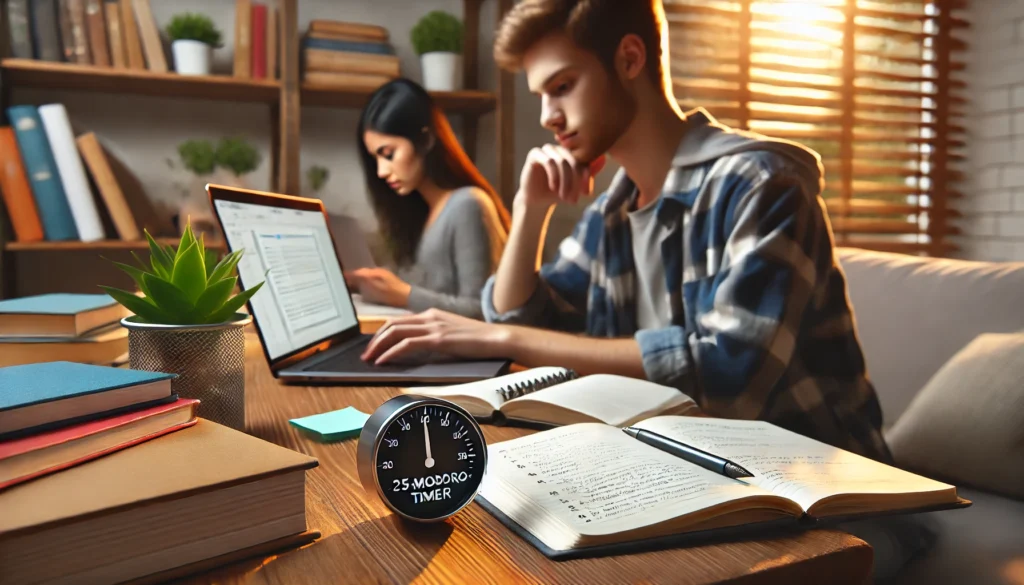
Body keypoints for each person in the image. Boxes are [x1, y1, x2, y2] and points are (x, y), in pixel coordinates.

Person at [363, 0, 889, 463]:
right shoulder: (616, 206)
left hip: (823, 486)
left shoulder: (761, 185)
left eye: (563, 86)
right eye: (541, 95)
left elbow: (727, 377)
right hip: (684, 460)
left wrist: (497, 336)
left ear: (630, 59)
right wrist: (529, 210)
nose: (548, 115)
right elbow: (527, 313)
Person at [349, 78, 511, 319]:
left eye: (389, 154)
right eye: (375, 159)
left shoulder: (468, 204)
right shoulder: (422, 210)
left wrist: (404, 295)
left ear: (425, 141)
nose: (381, 171)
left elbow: (482, 312)